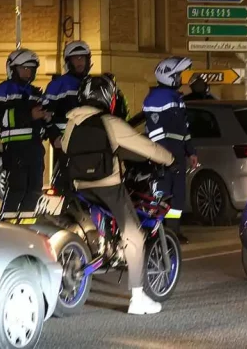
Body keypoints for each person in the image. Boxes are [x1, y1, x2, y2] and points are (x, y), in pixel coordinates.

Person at [62, 75, 174, 315]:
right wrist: (170, 159)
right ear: (107, 97)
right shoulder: (109, 122)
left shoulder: (72, 123)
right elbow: (145, 147)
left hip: (80, 187)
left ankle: (103, 247)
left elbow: (65, 146)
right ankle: (138, 298)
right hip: (109, 187)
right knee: (135, 235)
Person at [0, 49, 49, 222]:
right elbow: (0, 117)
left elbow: (41, 123)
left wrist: (46, 118)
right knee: (16, 189)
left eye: (31, 69)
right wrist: (30, 115)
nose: (28, 72)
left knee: (35, 190)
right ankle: (7, 227)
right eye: (24, 68)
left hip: (35, 149)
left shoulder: (36, 93)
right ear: (12, 68)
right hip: (15, 150)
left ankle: (28, 227)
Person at [142, 56, 198, 244]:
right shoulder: (156, 98)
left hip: (177, 155)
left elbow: (184, 130)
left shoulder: (176, 98)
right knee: (161, 194)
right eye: (178, 74)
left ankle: (173, 231)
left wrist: (191, 152)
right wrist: (164, 157)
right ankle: (154, 231)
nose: (181, 78)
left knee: (178, 195)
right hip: (163, 156)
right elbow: (155, 132)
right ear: (169, 76)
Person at [43, 41, 93, 191]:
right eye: (75, 58)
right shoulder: (58, 85)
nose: (80, 62)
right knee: (63, 188)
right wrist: (54, 136)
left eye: (82, 58)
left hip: (90, 146)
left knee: (86, 188)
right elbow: (45, 114)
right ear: (68, 62)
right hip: (65, 146)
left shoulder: (93, 83)